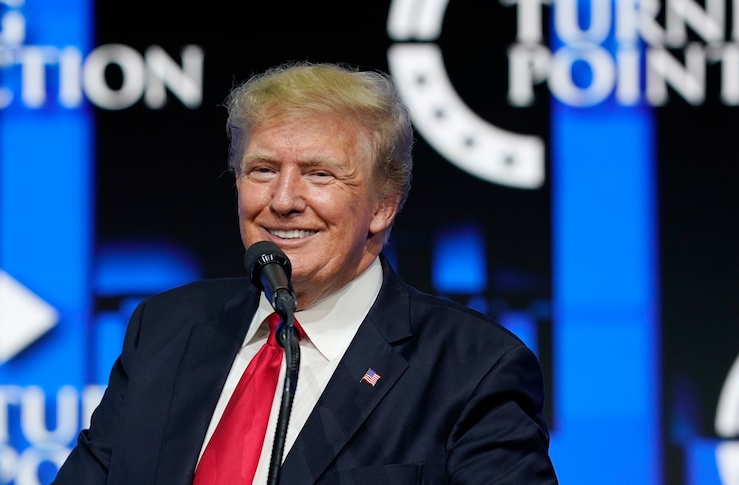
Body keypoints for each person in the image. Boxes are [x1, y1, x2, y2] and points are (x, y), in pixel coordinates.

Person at [51, 61, 558, 484]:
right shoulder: (166, 327)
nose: (284, 201)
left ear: (383, 206)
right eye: (263, 170)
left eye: (320, 175)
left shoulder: (473, 368)